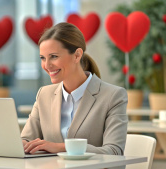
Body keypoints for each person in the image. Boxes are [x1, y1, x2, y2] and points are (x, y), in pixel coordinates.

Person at [21, 22, 128, 155]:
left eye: (54, 56)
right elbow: (25, 139)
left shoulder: (113, 96)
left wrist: (61, 147)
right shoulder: (44, 94)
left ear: (77, 55)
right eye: (43, 58)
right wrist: (21, 144)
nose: (47, 65)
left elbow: (114, 152)